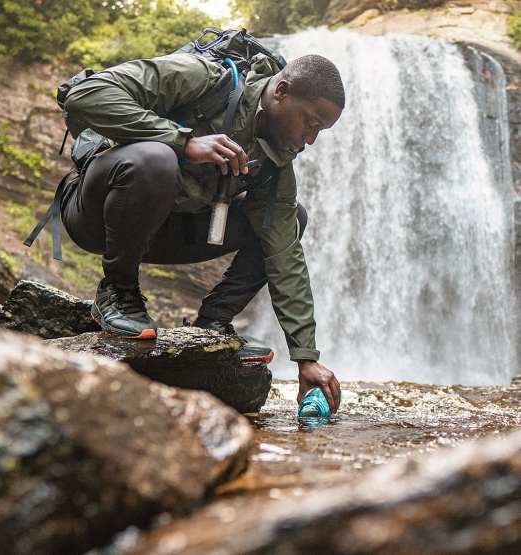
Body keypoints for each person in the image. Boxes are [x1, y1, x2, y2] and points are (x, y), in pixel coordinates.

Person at [62, 48, 345, 413]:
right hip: (95, 217)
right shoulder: (202, 77)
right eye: (311, 123)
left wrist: (305, 357)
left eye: (320, 131)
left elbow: (284, 255)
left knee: (292, 219)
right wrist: (182, 141)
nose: (310, 140)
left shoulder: (273, 163)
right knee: (156, 159)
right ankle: (118, 293)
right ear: (281, 91)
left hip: (164, 234)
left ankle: (213, 323)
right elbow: (83, 95)